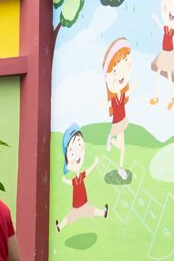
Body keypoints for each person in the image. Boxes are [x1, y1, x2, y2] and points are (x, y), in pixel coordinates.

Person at [55, 125, 108, 232]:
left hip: (83, 204)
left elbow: (88, 171)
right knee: (70, 217)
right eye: (72, 152)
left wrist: (94, 164)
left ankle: (104, 213)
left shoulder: (81, 176)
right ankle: (60, 226)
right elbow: (71, 182)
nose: (77, 154)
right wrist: (65, 181)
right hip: (77, 207)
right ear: (68, 165)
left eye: (79, 144)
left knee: (91, 210)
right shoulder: (75, 180)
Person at [102, 37, 132, 181]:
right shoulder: (114, 99)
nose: (121, 76)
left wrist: (135, 86)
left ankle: (120, 168)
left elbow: (129, 91)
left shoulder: (122, 95)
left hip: (122, 120)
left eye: (125, 66)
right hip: (116, 123)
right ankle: (110, 138)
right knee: (121, 145)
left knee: (122, 146)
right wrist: (100, 104)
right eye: (115, 71)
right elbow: (108, 105)